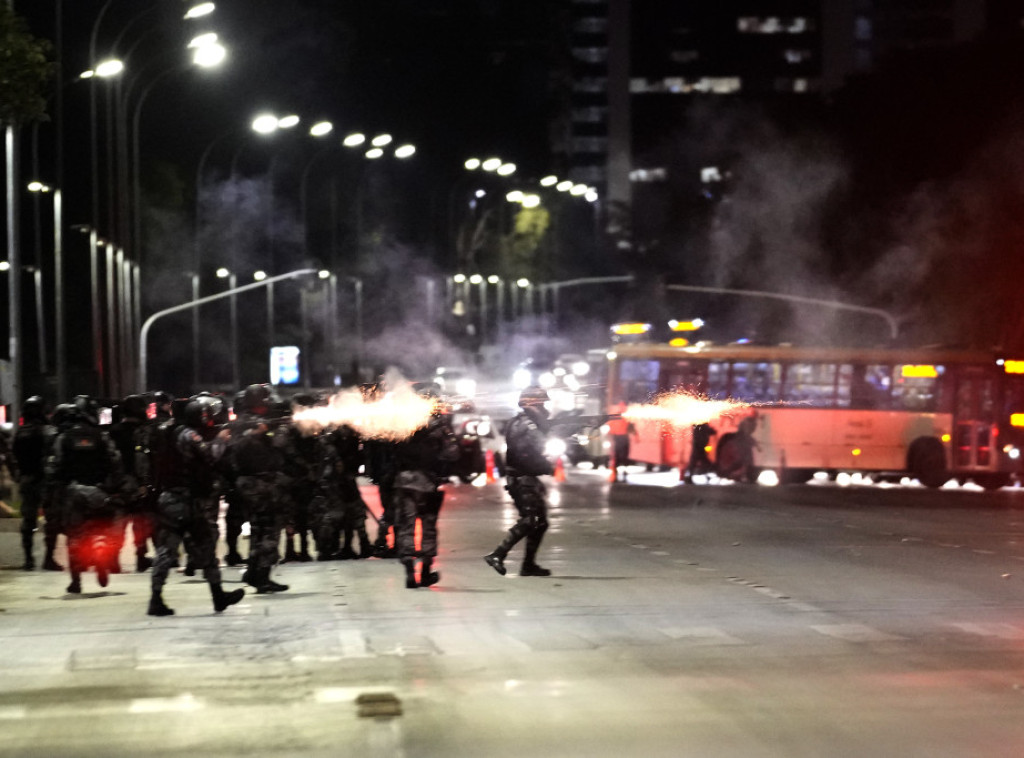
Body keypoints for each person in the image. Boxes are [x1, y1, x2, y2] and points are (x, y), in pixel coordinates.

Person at [147, 396, 245, 616]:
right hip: (185, 502)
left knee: (168, 551)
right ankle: (217, 595)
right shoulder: (188, 434)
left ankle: (156, 598)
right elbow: (210, 455)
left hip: (170, 499)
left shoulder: (167, 431)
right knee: (203, 546)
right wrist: (221, 439)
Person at [50, 395, 125, 594]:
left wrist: (57, 492)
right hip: (99, 491)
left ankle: (76, 580)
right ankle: (103, 559)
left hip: (73, 493)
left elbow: (55, 467)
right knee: (105, 525)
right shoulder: (102, 436)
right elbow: (115, 462)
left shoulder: (64, 438)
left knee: (74, 536)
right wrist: (114, 487)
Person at [484, 386, 555, 577]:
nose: (544, 409)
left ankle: (528, 565)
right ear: (533, 405)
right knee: (530, 520)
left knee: (540, 522)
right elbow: (538, 446)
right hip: (522, 479)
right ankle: (498, 554)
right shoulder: (528, 425)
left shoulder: (518, 422)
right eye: (541, 404)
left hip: (524, 478)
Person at [393, 388, 459, 589]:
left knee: (407, 527)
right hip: (427, 483)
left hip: (404, 481)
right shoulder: (439, 426)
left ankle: (409, 572)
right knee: (428, 527)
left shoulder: (402, 423)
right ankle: (425, 572)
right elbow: (453, 453)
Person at [230, 384, 291, 594]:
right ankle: (262, 576)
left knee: (259, 531)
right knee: (269, 532)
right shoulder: (247, 425)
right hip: (259, 485)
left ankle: (254, 573)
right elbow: (278, 443)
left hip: (255, 484)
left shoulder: (245, 422)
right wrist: (279, 430)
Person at [12, 396, 61, 571]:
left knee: (28, 521)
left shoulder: (21, 432)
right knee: (52, 520)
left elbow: (14, 457)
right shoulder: (47, 431)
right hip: (45, 481)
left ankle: (28, 560)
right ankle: (48, 559)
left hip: (27, 479)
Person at [107, 394, 155, 572]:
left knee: (118, 523)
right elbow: (143, 459)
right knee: (140, 523)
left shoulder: (113, 431)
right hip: (136, 482)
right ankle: (141, 557)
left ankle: (113, 560)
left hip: (117, 483)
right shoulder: (143, 431)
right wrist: (145, 482)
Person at [607, 398, 638, 482]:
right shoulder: (626, 416)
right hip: (623, 438)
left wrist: (609, 435)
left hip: (618, 438)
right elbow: (632, 427)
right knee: (623, 454)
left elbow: (609, 426)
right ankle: (622, 470)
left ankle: (617, 470)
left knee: (618, 454)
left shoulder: (616, 416)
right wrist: (636, 436)